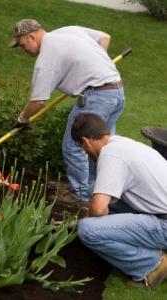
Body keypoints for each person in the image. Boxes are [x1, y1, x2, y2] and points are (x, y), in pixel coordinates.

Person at [9, 19, 125, 203]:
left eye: (23, 45)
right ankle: (101, 193)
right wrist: (96, 63)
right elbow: (104, 37)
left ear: (31, 36)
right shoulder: (69, 30)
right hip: (116, 92)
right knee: (103, 147)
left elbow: (38, 101)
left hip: (96, 96)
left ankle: (80, 197)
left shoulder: (46, 57)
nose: (25, 51)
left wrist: (22, 119)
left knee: (75, 146)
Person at [71, 112, 167, 288]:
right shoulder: (121, 143)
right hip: (160, 210)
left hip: (164, 224)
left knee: (88, 230)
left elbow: (99, 209)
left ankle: (152, 265)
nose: (84, 151)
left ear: (86, 141)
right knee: (96, 191)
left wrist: (86, 220)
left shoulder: (111, 155)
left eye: (81, 146)